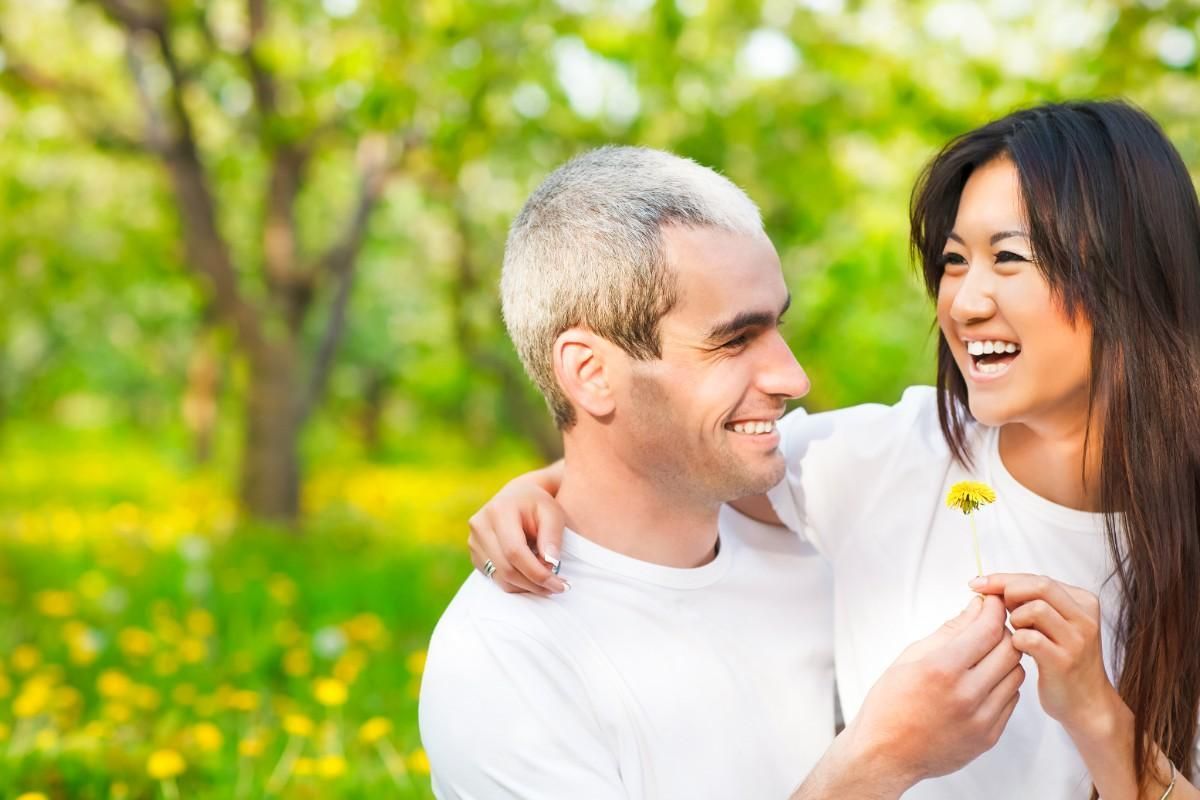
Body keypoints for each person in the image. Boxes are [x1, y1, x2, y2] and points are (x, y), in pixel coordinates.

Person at [467, 101, 1200, 798]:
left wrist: (1101, 717)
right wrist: (544, 488)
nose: (966, 302)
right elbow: (672, 448)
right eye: (953, 261)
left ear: (1131, 275)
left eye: (1010, 258)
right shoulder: (885, 459)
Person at [418, 146, 1024, 799]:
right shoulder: (506, 666)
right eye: (734, 341)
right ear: (590, 373)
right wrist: (879, 761)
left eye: (776, 327)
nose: (794, 378)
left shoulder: (809, 535)